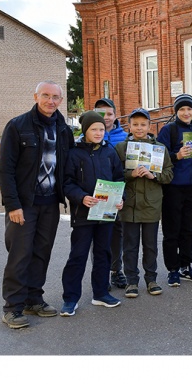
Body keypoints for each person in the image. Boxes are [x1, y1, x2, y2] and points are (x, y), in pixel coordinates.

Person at [0, 81, 75, 329]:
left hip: (50, 204)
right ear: (35, 96)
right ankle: (13, 308)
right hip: (24, 205)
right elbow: (5, 169)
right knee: (20, 255)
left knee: (42, 253)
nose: (50, 101)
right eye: (45, 95)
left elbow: (70, 166)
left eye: (55, 97)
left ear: (61, 101)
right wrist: (13, 205)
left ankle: (34, 299)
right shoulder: (17, 126)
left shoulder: (64, 129)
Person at [60, 110, 124, 316]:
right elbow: (67, 183)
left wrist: (121, 199)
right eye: (94, 129)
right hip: (83, 214)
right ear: (85, 130)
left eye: (101, 129)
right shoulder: (74, 153)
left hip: (105, 214)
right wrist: (81, 197)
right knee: (77, 256)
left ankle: (100, 293)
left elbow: (119, 179)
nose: (98, 133)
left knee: (103, 254)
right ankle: (70, 298)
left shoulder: (109, 152)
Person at [115, 108, 174, 297]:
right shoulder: (121, 148)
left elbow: (169, 174)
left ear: (149, 126)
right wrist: (130, 174)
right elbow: (114, 175)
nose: (139, 128)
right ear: (129, 126)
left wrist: (153, 175)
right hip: (129, 205)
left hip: (151, 204)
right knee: (130, 246)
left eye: (143, 124)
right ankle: (131, 281)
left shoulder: (159, 148)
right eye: (135, 124)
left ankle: (152, 279)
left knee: (150, 245)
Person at [156, 93, 192, 287]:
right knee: (171, 230)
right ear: (176, 111)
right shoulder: (169, 130)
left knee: (187, 229)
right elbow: (158, 154)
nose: (186, 113)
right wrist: (176, 155)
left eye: (189, 109)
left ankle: (186, 266)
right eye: (182, 109)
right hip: (173, 187)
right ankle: (172, 269)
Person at [94, 97, 130, 291]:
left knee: (117, 234)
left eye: (109, 113)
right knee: (97, 235)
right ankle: (101, 273)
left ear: (115, 115)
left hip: (117, 193)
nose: (105, 118)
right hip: (95, 194)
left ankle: (117, 270)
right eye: (101, 113)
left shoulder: (124, 137)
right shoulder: (87, 136)